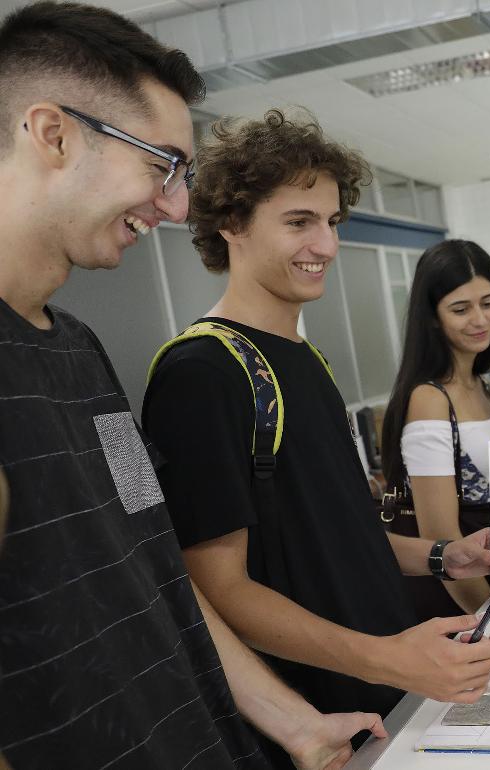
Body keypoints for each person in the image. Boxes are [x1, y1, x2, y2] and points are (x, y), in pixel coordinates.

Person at [0, 3, 385, 768]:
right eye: (159, 164)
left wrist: (296, 722)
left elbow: (160, 566)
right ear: (53, 135)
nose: (176, 204)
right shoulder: (201, 367)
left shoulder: (81, 355)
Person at [141, 109, 490, 766]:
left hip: (392, 691)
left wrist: (440, 556)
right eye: (299, 222)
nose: (327, 246)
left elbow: (331, 534)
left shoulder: (308, 359)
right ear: (232, 224)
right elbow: (220, 591)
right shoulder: (201, 372)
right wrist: (384, 657)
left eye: (332, 222)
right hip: (318, 720)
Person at [379, 238, 490, 620]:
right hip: (464, 609)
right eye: (460, 309)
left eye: (488, 302)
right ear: (432, 317)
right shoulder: (430, 400)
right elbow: (442, 544)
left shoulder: (485, 385)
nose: (480, 320)